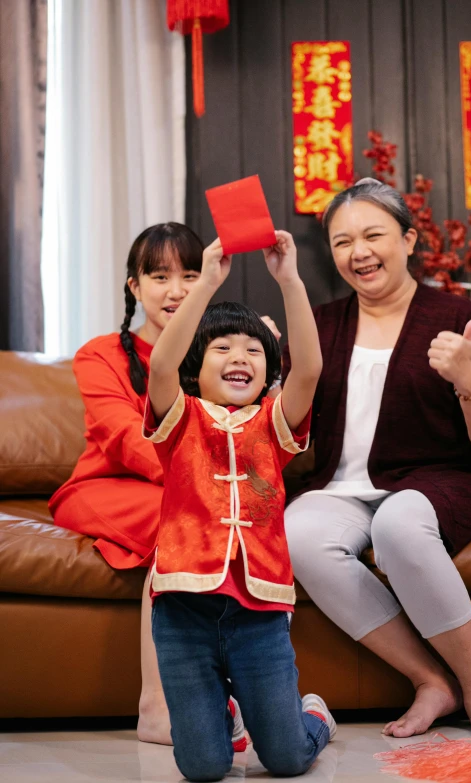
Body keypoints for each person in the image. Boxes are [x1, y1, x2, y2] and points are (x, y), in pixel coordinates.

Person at [283, 178, 471, 742]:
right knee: (295, 534)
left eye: (373, 235)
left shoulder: (456, 319)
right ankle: (431, 681)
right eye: (342, 242)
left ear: (409, 240)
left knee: (398, 523)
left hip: (440, 483)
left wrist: (470, 381)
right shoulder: (320, 326)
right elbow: (287, 422)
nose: (358, 252)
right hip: (341, 488)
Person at [49, 222, 253, 747]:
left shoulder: (217, 354)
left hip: (193, 490)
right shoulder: (101, 355)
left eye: (189, 274)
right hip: (106, 486)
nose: (177, 289)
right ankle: (157, 708)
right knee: (180, 529)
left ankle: (228, 693)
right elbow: (121, 435)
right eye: (159, 276)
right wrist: (203, 486)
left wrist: (256, 364)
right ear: (134, 287)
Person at [144, 232, 335, 781]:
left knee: (287, 758)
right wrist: (205, 284)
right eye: (222, 348)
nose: (240, 357)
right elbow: (160, 366)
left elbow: (309, 371)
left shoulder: (273, 423)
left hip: (260, 613)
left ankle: (313, 714)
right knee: (202, 768)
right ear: (195, 367)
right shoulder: (178, 418)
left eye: (254, 350)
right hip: (183, 612)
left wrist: (289, 281)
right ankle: (224, 716)